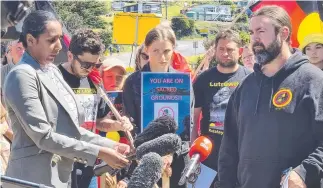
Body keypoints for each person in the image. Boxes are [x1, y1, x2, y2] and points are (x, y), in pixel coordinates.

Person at [3, 10, 130, 188]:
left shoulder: (52, 71)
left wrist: (111, 145)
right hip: (31, 179)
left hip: (59, 178)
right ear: (31, 40)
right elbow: (43, 137)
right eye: (51, 40)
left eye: (60, 39)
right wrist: (99, 152)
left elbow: (72, 130)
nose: (59, 46)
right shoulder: (21, 75)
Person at [218, 6, 323, 188]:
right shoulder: (244, 87)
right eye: (251, 32)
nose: (254, 39)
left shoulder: (314, 80)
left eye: (261, 31)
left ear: (283, 33)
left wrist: (304, 172)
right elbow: (229, 148)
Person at [58, 29, 133, 188]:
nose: (90, 69)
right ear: (70, 56)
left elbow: (99, 121)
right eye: (85, 64)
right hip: (61, 163)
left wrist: (117, 125)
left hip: (88, 164)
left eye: (95, 64)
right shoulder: (54, 79)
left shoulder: (94, 82)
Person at [122, 26, 193, 188]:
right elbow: (132, 122)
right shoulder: (133, 82)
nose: (162, 57)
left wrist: (170, 155)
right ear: (146, 49)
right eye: (156, 51)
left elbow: (187, 123)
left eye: (167, 51)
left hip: (177, 159)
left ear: (173, 49)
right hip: (146, 159)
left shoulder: (183, 81)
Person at [191, 29, 251, 187]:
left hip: (239, 154)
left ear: (239, 51)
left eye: (230, 49)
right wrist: (192, 151)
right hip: (207, 153)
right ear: (215, 51)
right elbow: (193, 118)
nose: (225, 53)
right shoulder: (203, 79)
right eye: (221, 49)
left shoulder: (250, 79)